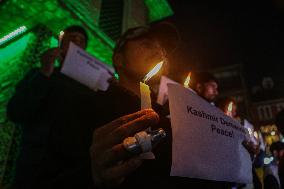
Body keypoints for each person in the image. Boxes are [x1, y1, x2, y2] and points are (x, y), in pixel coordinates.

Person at [90, 26, 234, 188]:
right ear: (119, 59)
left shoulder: (169, 116)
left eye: (161, 49)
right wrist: (92, 175)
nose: (159, 53)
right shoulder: (90, 107)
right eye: (147, 44)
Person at [7, 25, 102, 188]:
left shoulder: (92, 87)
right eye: (71, 39)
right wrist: (44, 73)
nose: (76, 43)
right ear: (60, 44)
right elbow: (16, 112)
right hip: (35, 169)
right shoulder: (40, 74)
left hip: (73, 172)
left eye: (81, 41)